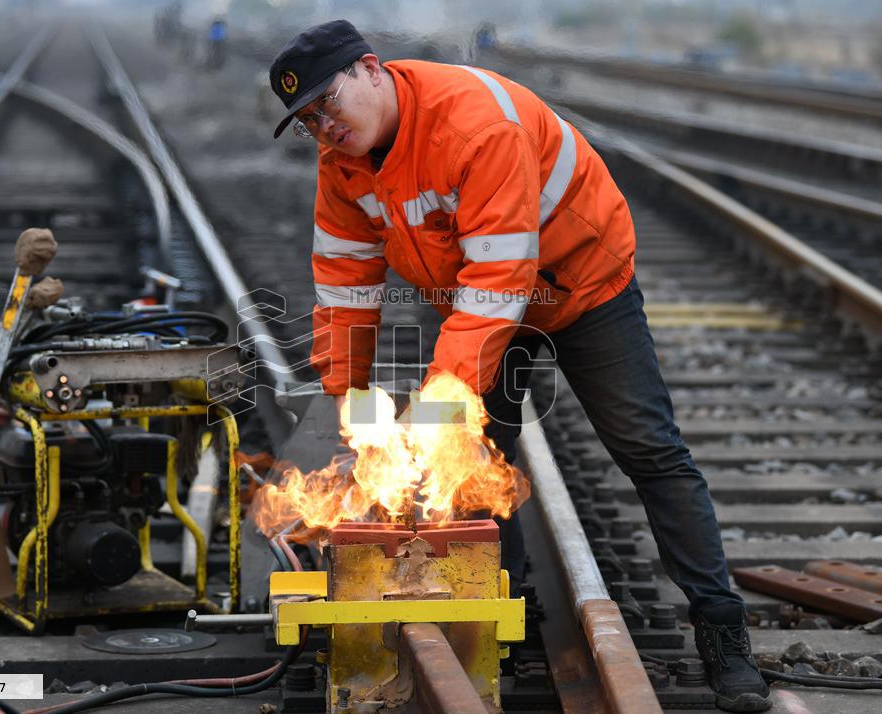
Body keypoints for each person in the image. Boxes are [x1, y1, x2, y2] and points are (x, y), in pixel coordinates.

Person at [267, 20, 771, 713]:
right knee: (475, 453)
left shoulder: (476, 125)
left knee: (647, 447)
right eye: (307, 121)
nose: (324, 126)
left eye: (329, 102)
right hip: (477, 291)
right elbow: (345, 289)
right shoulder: (343, 168)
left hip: (579, 285)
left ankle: (724, 636)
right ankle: (499, 606)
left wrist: (442, 403)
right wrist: (349, 400)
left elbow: (502, 279)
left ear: (372, 69)